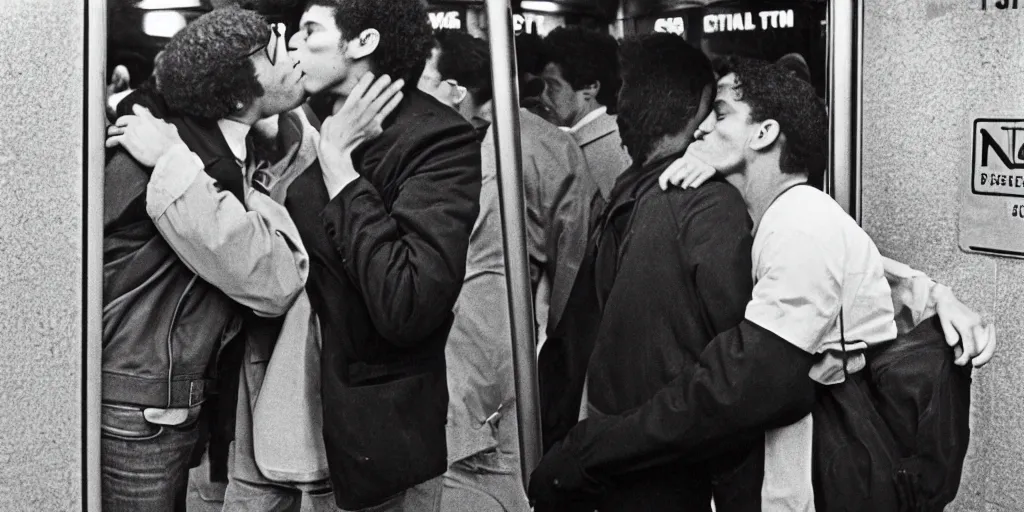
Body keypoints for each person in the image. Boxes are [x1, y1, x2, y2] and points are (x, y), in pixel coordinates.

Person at [529, 52, 995, 510]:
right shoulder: (781, 218)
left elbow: (747, 384)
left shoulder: (798, 221)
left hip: (807, 482)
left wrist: (594, 450)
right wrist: (932, 294)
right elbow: (859, 267)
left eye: (721, 113)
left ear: (765, 132)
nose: (702, 127)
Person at [534, 34, 763, 511]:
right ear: (697, 116)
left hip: (621, 456)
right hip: (677, 467)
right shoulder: (706, 205)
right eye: (716, 114)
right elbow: (738, 366)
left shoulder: (629, 195)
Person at [101, 8, 310, 511]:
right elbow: (272, 278)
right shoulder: (176, 162)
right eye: (272, 51)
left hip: (157, 395)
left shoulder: (207, 141)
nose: (291, 53)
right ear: (239, 98)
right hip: (142, 401)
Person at [283, 1, 483, 510]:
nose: (293, 45)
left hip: (373, 424)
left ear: (363, 44)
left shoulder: (437, 137)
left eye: (310, 32)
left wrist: (341, 174)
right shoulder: (310, 121)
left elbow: (409, 303)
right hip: (296, 411)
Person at [418, 29, 596, 512]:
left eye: (424, 79)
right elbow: (573, 254)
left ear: (457, 91)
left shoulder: (495, 154)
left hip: (480, 362)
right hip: (518, 355)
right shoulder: (545, 141)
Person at [540, 27, 631, 200]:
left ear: (590, 88)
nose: (543, 96)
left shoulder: (611, 148)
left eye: (552, 86)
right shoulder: (604, 136)